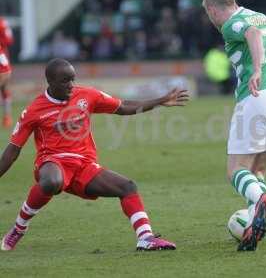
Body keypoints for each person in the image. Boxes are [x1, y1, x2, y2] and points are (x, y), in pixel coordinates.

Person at [0, 58, 189, 251]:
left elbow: (123, 106)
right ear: (50, 82)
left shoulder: (87, 95)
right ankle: (19, 228)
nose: (71, 85)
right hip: (53, 162)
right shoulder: (33, 111)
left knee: (127, 187)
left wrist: (160, 100)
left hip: (84, 166)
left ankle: (145, 238)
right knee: (51, 182)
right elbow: (12, 151)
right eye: (65, 81)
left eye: (72, 79)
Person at [203, 0, 266, 251]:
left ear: (212, 10)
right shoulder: (259, 14)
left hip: (256, 98)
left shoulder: (230, 25)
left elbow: (251, 33)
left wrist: (255, 70)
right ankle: (255, 221)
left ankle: (261, 200)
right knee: (258, 170)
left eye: (208, 13)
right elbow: (251, 22)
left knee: (237, 170)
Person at [0, 16, 14, 128]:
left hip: (2, 56)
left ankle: (7, 116)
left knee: (4, 87)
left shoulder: (2, 22)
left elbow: (9, 40)